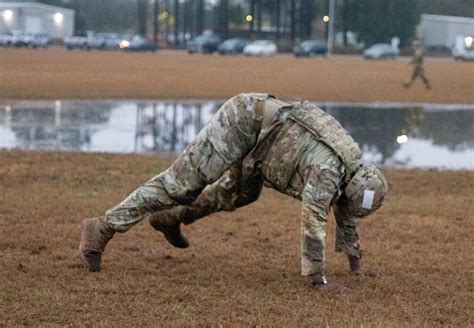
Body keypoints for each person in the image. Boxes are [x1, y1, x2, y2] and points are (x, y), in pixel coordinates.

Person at [79, 93, 388, 290]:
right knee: (180, 184)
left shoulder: (353, 166)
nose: (344, 209)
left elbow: (346, 213)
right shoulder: (329, 173)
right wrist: (317, 279)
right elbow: (314, 222)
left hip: (264, 145)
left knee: (239, 194)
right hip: (242, 123)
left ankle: (170, 218)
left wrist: (356, 266)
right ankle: (102, 228)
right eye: (345, 203)